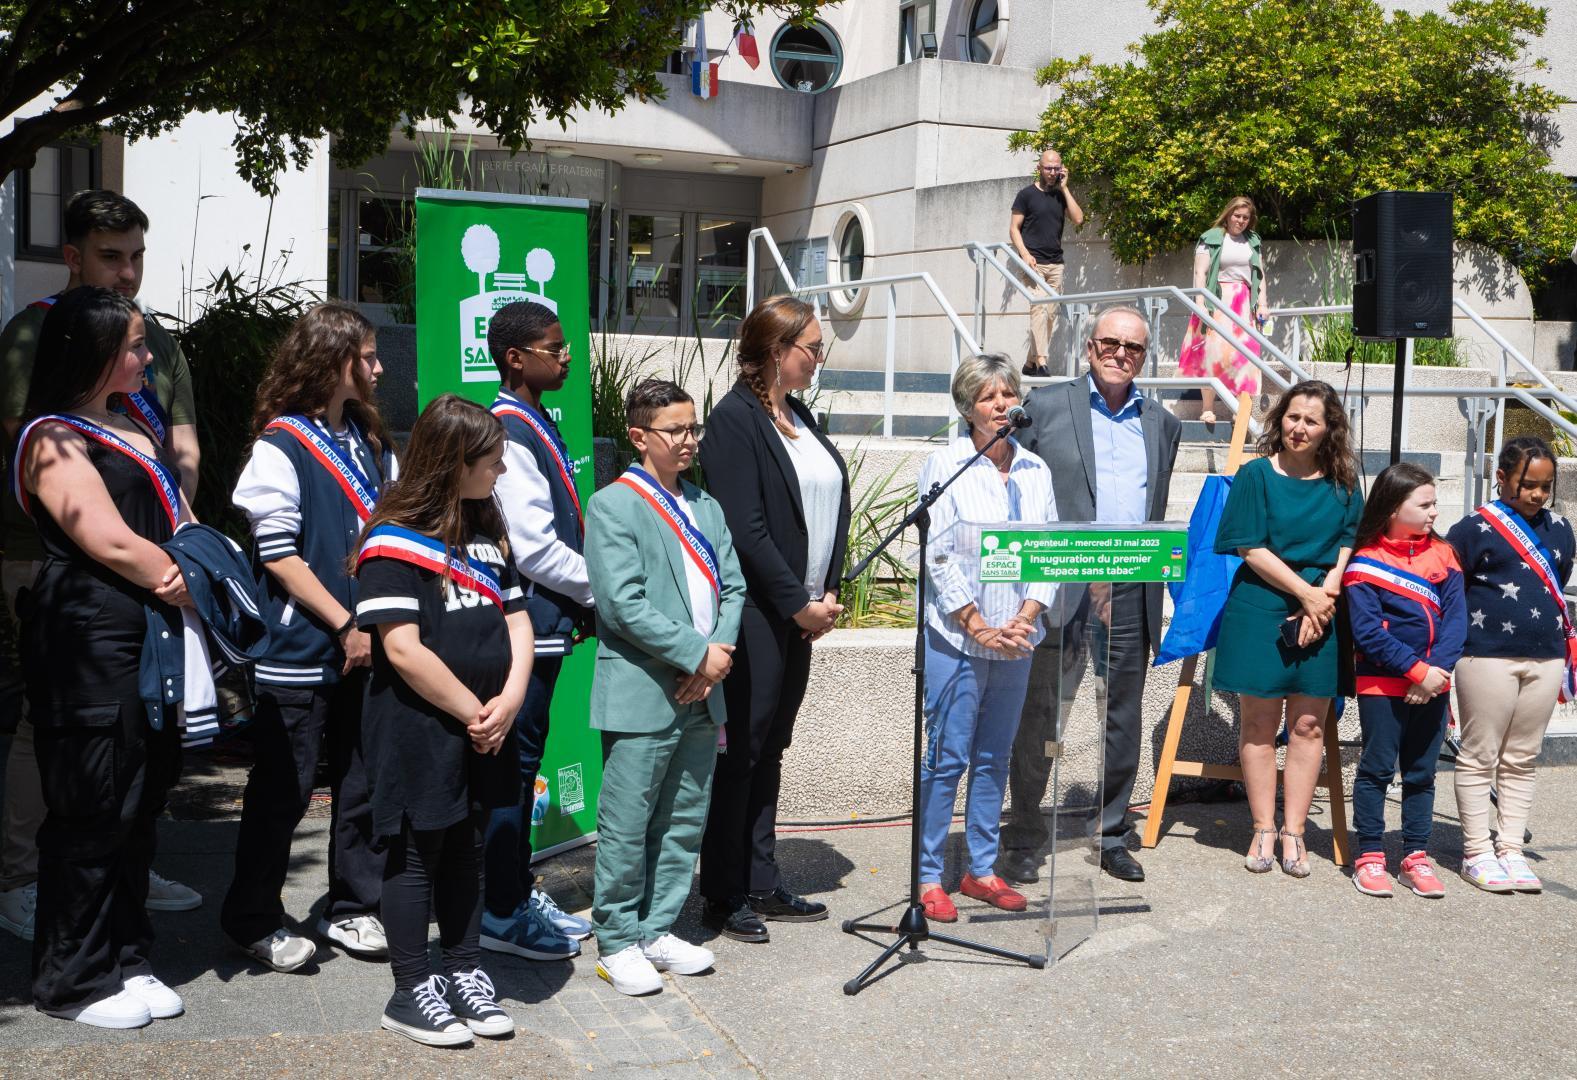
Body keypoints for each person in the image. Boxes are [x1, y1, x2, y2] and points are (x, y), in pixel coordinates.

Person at [0, 191, 201, 942]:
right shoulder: (35, 335)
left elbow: (182, 449)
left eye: (136, 256)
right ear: (73, 257)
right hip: (53, 560)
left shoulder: (162, 346)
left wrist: (174, 535)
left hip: (151, 558)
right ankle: (22, 875)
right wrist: (132, 547)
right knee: (51, 723)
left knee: (143, 722)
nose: (126, 273)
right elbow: (43, 456)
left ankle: (124, 863)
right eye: (110, 256)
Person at [221, 303, 396, 972]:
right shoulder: (282, 443)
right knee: (284, 789)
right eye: (369, 356)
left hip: (369, 642)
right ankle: (252, 917)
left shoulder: (369, 441)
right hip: (301, 646)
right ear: (334, 360)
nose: (380, 368)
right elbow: (279, 555)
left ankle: (352, 906)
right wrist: (344, 623)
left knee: (363, 779)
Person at [353, 394, 529, 1046]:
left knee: (469, 849)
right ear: (452, 462)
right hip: (421, 725)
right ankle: (410, 989)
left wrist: (509, 698)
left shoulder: (483, 533)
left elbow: (516, 618)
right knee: (418, 855)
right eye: (490, 461)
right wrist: (471, 710)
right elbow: (401, 648)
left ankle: (464, 971)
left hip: (487, 723)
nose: (500, 472)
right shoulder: (392, 544)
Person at [1001, 306, 1182, 886]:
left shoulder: (1162, 423)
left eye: (1133, 347)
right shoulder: (1044, 407)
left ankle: (1109, 833)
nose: (1120, 353)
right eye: (1110, 342)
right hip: (1059, 587)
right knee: (1042, 717)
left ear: (1144, 355)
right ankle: (1025, 836)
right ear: (1088, 346)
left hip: (1130, 589)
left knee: (1122, 717)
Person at [698, 296, 850, 944]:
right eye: (810, 347)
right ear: (772, 351)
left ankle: (761, 878)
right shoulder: (733, 421)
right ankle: (723, 891)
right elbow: (746, 529)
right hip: (760, 612)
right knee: (743, 753)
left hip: (799, 610)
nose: (818, 357)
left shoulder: (797, 414)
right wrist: (796, 602)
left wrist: (829, 591)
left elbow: (825, 505)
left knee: (773, 749)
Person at [584, 379, 744, 996]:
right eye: (674, 430)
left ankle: (656, 926)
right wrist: (696, 655)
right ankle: (618, 938)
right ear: (639, 436)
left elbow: (733, 587)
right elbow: (621, 606)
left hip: (703, 689)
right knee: (629, 821)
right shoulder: (614, 505)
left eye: (692, 428)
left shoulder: (705, 504)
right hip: (644, 690)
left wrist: (714, 659)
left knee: (683, 818)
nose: (688, 440)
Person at [915, 354, 1056, 922]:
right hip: (958, 636)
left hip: (1017, 637)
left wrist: (1024, 617)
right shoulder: (944, 464)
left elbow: (1048, 552)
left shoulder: (1035, 470)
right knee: (947, 757)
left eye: (1007, 394)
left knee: (995, 756)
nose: (1001, 405)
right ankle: (927, 875)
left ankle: (980, 868)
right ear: (966, 407)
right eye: (988, 397)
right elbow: (939, 554)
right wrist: (976, 623)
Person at [480, 300, 593, 962]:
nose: (567, 356)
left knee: (524, 768)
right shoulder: (507, 429)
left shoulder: (534, 421)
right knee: (512, 772)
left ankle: (515, 889)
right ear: (516, 358)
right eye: (555, 348)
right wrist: (601, 590)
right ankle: (500, 909)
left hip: (548, 625)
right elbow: (533, 547)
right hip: (527, 627)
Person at [1213, 380, 1362, 878]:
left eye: (1311, 421)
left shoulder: (1344, 484)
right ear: (1280, 421)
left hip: (1321, 606)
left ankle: (1294, 831)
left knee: (1308, 724)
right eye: (1293, 417)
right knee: (1257, 723)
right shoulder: (1255, 475)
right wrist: (1306, 593)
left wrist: (1324, 597)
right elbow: (1248, 546)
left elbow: (1346, 543)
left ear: (1328, 430)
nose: (1299, 428)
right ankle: (1263, 828)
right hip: (1261, 604)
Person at [1445, 436, 1574, 893]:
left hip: (1546, 655)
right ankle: (1477, 851)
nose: (1539, 495)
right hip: (1486, 655)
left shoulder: (1560, 528)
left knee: (1522, 758)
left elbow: (1558, 581)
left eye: (1546, 486)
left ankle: (1511, 848)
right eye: (1528, 485)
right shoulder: (1473, 529)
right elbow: (1449, 586)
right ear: (1501, 478)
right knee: (1480, 756)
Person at [1343, 464, 1465, 898]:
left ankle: (1415, 854)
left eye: (1434, 503)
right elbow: (1370, 634)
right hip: (1383, 686)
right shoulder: (1366, 562)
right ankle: (1370, 855)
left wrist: (1435, 675)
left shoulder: (1445, 554)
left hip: (1436, 684)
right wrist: (1417, 671)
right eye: (1425, 504)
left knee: (1421, 772)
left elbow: (1455, 622)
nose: (1434, 512)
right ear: (1395, 506)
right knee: (1376, 769)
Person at [1176, 196, 1270, 424]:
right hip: (1217, 301)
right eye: (1237, 216)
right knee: (1213, 354)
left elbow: (1260, 274)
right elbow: (1201, 274)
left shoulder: (1253, 241)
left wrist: (1264, 303)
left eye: (1245, 217)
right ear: (1227, 215)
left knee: (1245, 356)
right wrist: (1200, 304)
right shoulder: (1211, 238)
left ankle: (1240, 409)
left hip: (1244, 303)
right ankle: (1207, 408)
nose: (1241, 221)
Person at [1009, 148, 1085, 378]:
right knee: (1040, 308)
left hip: (1056, 264)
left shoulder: (1060, 194)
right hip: (1033, 264)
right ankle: (1042, 362)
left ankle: (1030, 363)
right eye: (1048, 168)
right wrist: (1024, 254)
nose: (1052, 172)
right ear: (1039, 168)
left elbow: (1079, 218)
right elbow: (1014, 229)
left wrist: (1065, 187)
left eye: (1056, 168)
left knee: (1050, 314)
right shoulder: (1026, 195)